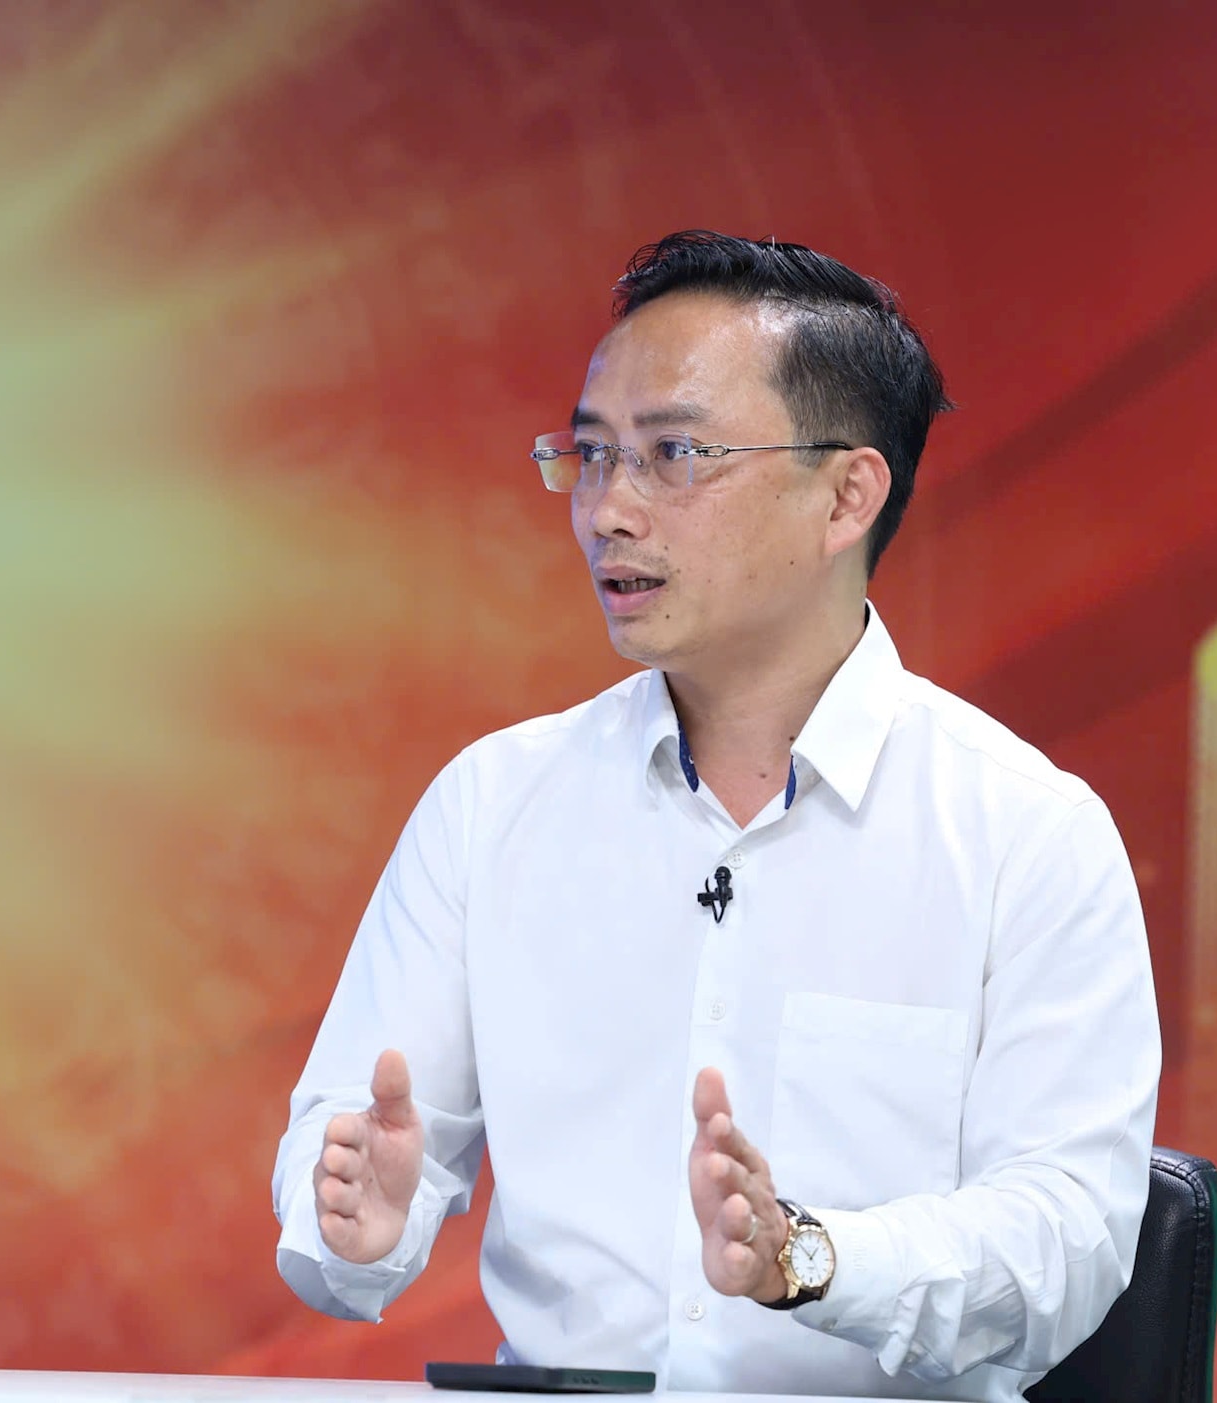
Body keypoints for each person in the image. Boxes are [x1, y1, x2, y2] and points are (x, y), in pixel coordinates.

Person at [272, 230, 1160, 1400]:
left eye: (674, 454)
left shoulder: (1024, 834)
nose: (607, 509)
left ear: (845, 495)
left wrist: (813, 1256)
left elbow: (1066, 1239)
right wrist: (355, 1215)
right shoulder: (492, 804)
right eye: (591, 455)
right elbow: (353, 1139)